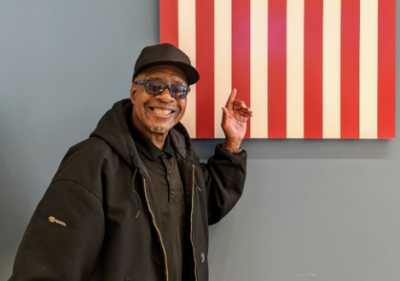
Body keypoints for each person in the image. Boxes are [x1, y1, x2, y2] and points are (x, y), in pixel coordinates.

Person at [9, 43, 252, 281]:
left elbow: (209, 204)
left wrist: (232, 143)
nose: (167, 97)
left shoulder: (182, 160)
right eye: (154, 86)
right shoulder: (91, 161)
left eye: (178, 89)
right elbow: (49, 264)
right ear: (134, 93)